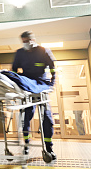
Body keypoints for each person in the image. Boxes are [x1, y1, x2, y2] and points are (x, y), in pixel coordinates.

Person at [12, 31, 57, 160]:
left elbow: (53, 69)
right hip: (27, 87)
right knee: (25, 117)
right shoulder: (20, 53)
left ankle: (49, 147)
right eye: (23, 41)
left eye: (28, 40)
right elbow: (14, 70)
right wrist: (18, 87)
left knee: (47, 118)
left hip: (42, 86)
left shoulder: (43, 51)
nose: (26, 43)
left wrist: (51, 85)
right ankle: (26, 144)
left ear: (33, 39)